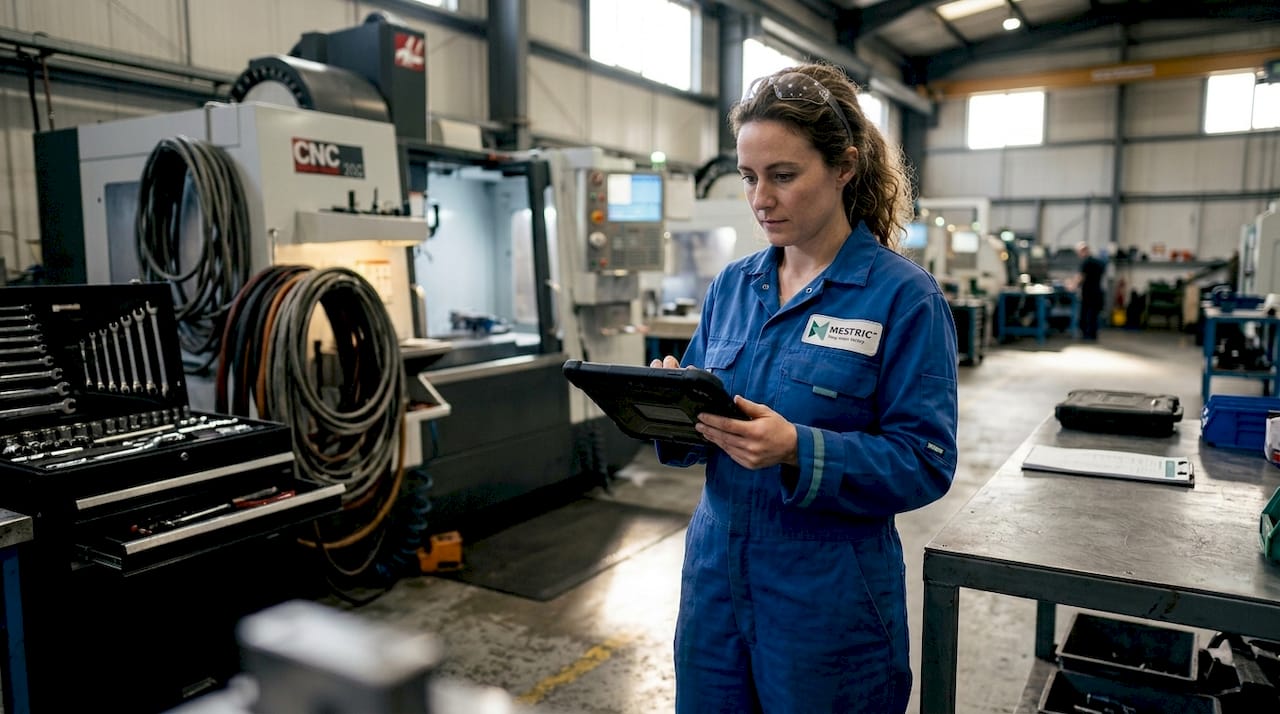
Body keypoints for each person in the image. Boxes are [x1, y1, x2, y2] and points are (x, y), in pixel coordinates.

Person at [649, 63, 959, 714]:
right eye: (749, 177)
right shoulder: (734, 287)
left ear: (844, 168)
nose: (761, 198)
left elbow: (924, 462)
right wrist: (668, 410)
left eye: (783, 176)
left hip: (829, 600)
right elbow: (706, 427)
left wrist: (799, 449)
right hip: (715, 583)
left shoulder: (903, 299)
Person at [1075, 241, 1105, 340]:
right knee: (1094, 315)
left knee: (1085, 314)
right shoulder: (1098, 262)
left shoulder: (1086, 262)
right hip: (1097, 292)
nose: (1078, 255)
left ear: (1083, 251)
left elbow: (1081, 277)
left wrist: (1072, 285)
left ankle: (1085, 335)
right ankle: (1093, 335)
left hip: (1088, 293)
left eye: (1079, 252)